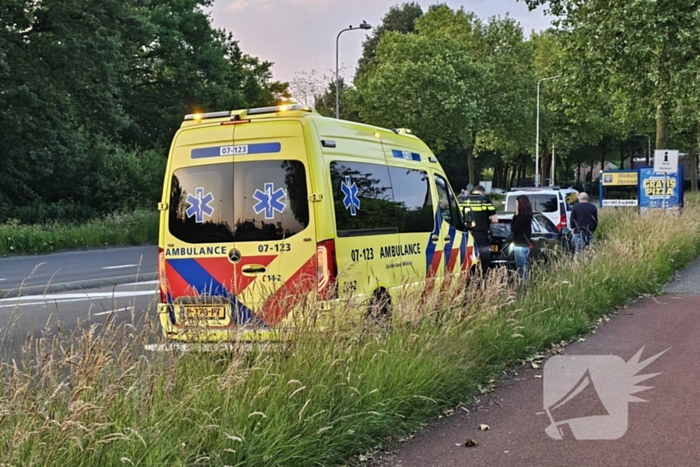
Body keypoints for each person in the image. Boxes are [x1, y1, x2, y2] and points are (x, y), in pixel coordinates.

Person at [461, 185, 498, 271]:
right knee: (483, 261)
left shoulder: (464, 200)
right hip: (481, 235)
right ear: (482, 192)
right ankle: (481, 281)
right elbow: (494, 219)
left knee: (468, 259)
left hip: (466, 235)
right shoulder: (485, 201)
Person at [511, 194, 533, 280]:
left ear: (520, 203)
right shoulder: (528, 215)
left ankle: (524, 287)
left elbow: (514, 228)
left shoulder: (521, 216)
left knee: (521, 268)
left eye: (516, 202)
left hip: (519, 245)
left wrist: (515, 215)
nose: (515, 204)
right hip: (525, 244)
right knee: (524, 267)